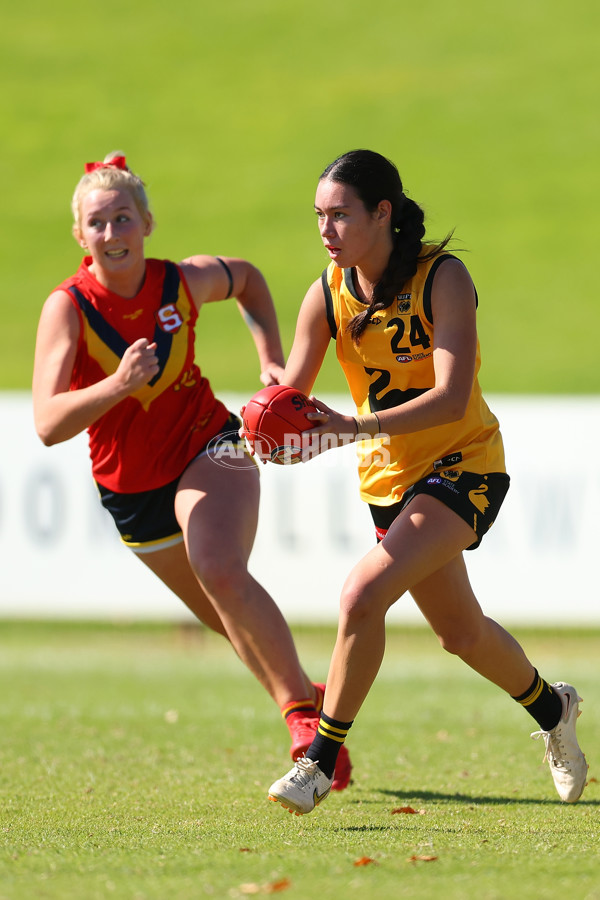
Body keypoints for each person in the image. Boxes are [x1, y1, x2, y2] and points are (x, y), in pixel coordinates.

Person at [267, 149, 588, 815]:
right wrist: (266, 424)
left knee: (360, 596)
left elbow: (449, 398)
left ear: (382, 213)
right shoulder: (325, 292)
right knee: (461, 634)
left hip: (466, 462)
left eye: (341, 215)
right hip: (391, 480)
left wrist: (348, 428)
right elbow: (289, 396)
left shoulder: (442, 275)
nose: (326, 230)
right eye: (319, 217)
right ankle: (554, 709)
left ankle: (319, 764)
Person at [32, 151, 351, 790]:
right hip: (131, 491)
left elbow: (250, 280)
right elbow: (47, 423)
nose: (112, 233)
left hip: (210, 442)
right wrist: (117, 386)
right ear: (80, 235)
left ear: (147, 222)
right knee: (225, 616)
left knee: (220, 567)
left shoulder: (180, 282)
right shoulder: (68, 308)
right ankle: (310, 702)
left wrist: (271, 359)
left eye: (124, 218)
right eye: (98, 223)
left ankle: (302, 724)